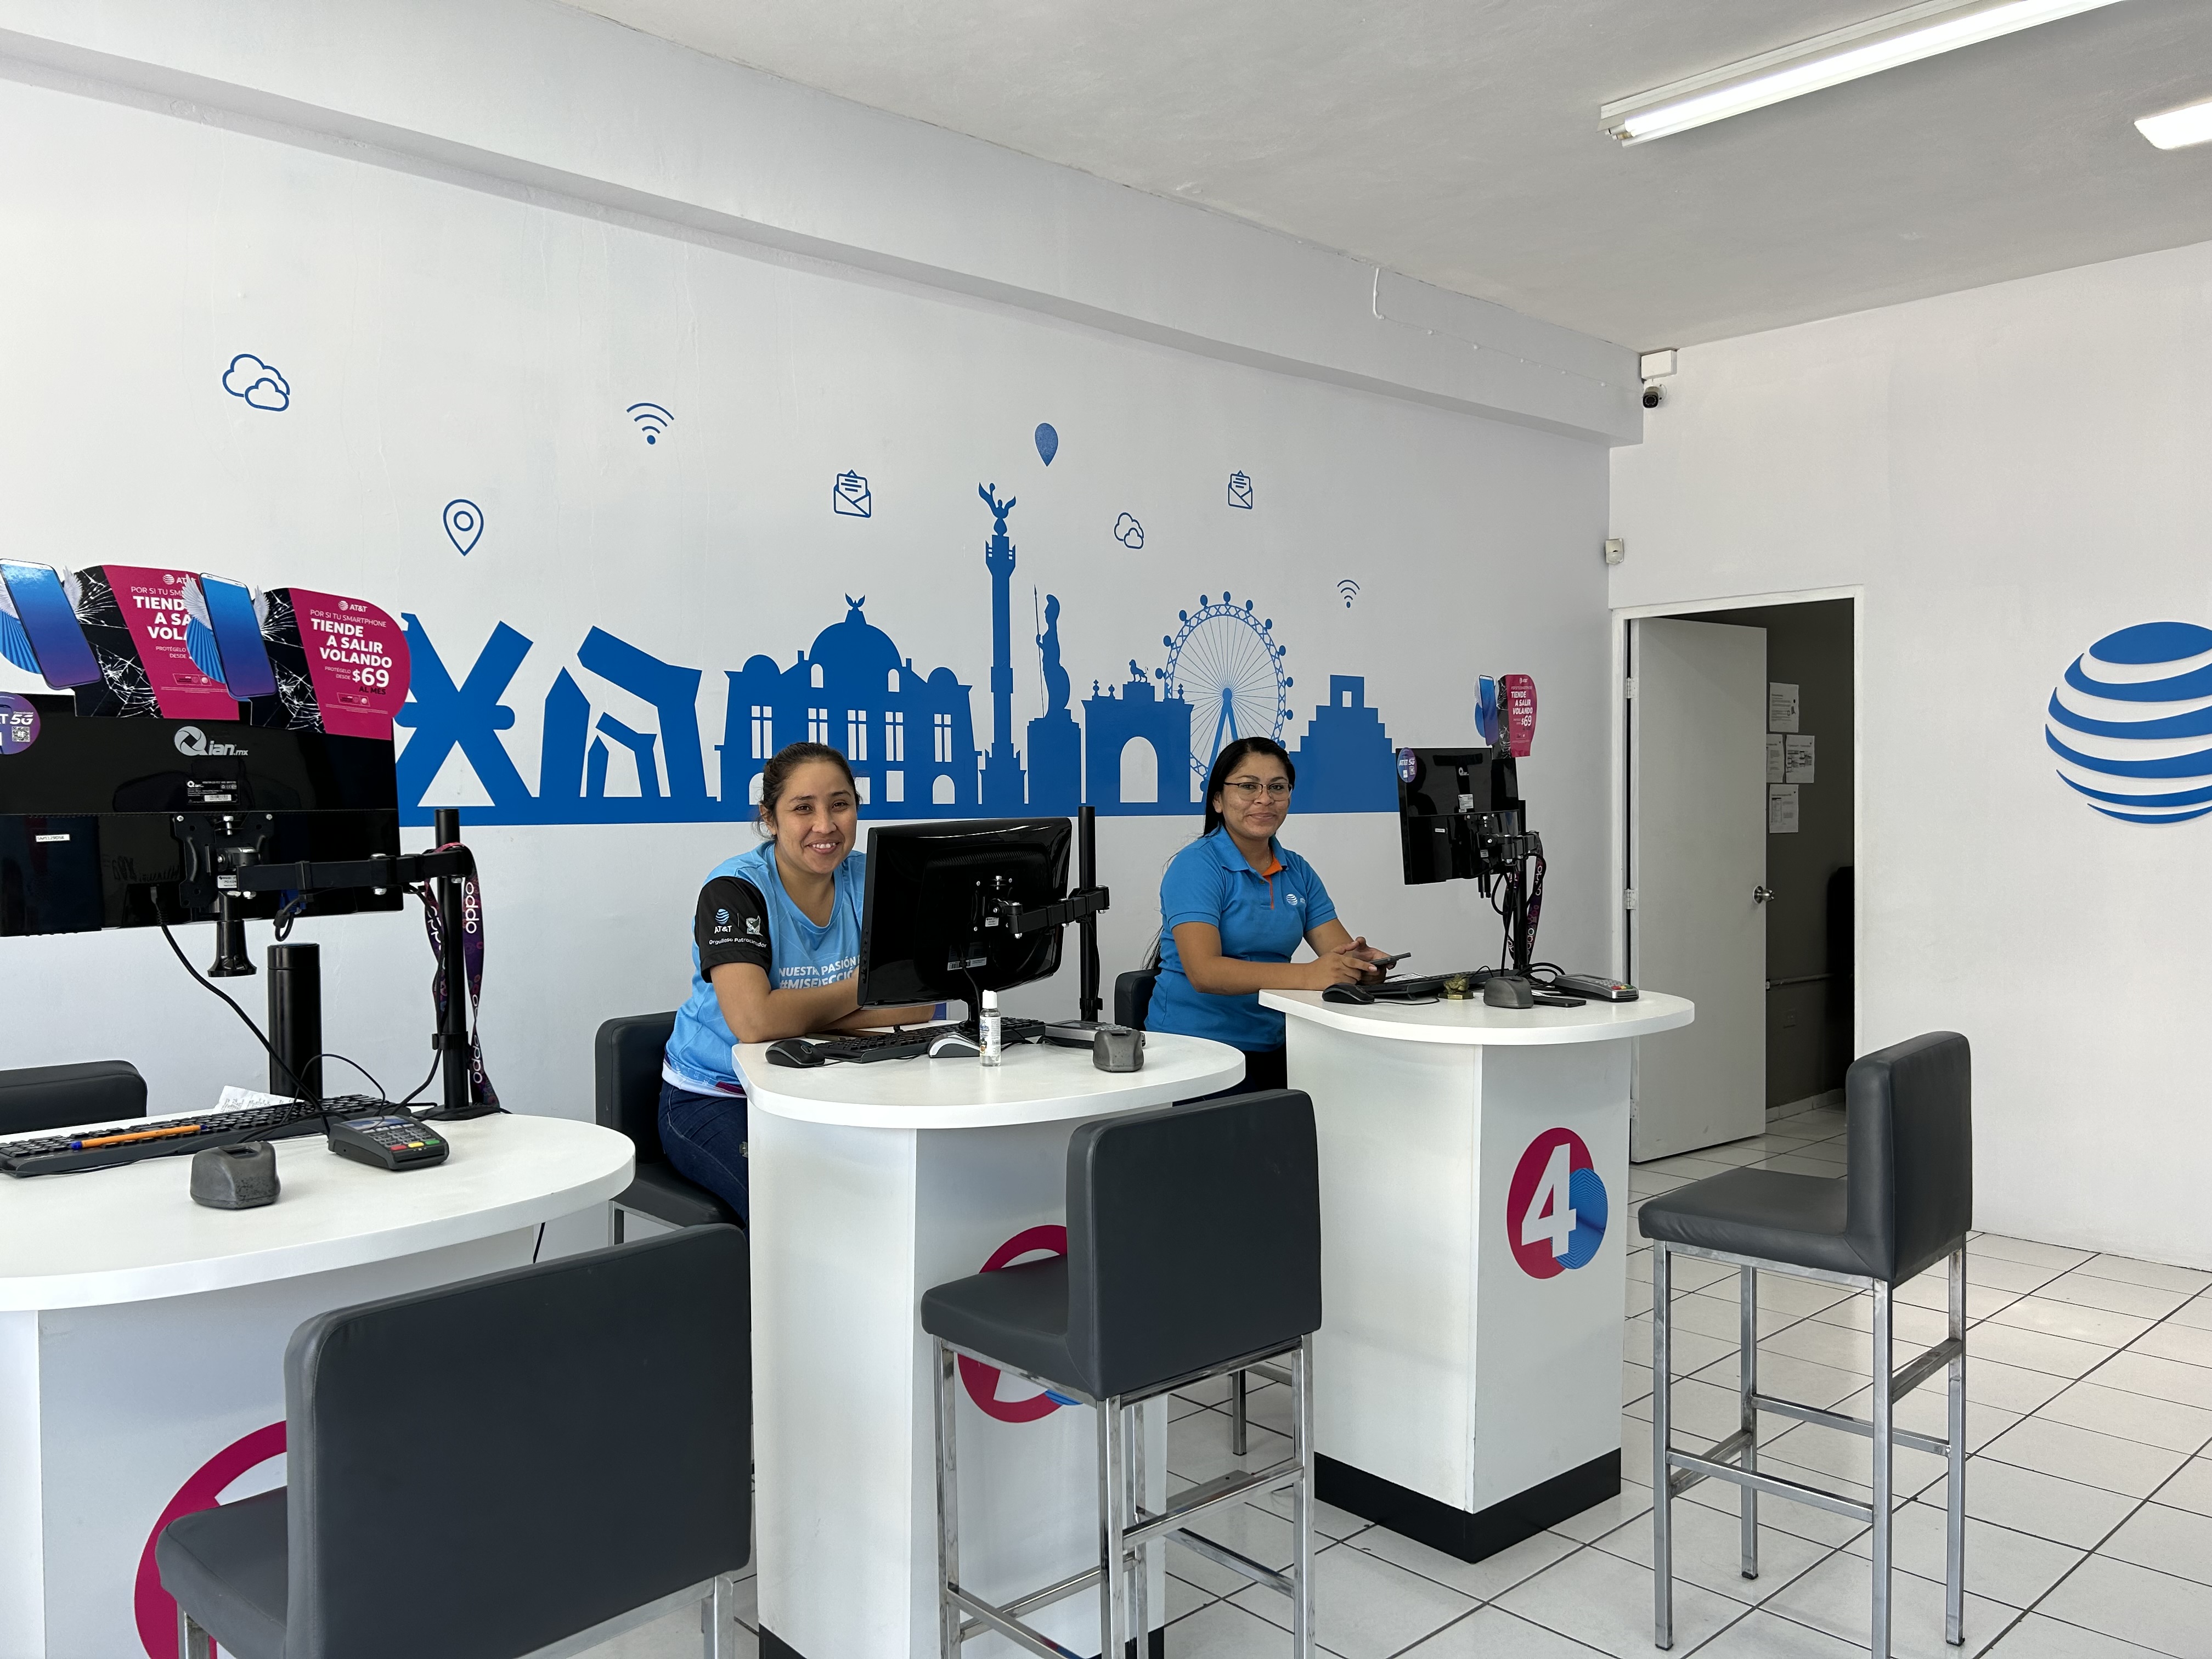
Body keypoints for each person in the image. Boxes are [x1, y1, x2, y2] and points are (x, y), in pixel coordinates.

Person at [659, 742, 933, 1221]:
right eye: (803, 808)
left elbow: (919, 1005)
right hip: (719, 1096)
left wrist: (793, 1017)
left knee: (908, 1198)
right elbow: (754, 1024)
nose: (825, 825)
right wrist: (866, 986)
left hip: (833, 1088)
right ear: (770, 819)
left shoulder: (875, 879)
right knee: (800, 1216)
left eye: (840, 804)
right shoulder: (734, 890)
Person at [1144, 736, 1389, 1093]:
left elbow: (1337, 953)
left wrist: (1361, 966)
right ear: (1217, 799)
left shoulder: (1297, 870)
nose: (1264, 799)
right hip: (1194, 1050)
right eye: (1248, 787)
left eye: (1277, 787)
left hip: (1277, 1043)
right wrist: (1309, 975)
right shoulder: (1196, 866)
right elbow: (1205, 973)